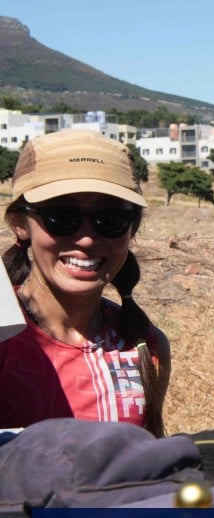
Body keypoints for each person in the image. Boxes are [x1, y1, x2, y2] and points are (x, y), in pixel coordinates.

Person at [1, 129, 170, 436]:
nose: (87, 238)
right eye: (60, 217)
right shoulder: (4, 334)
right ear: (19, 224)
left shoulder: (145, 345)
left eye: (111, 219)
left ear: (132, 229)